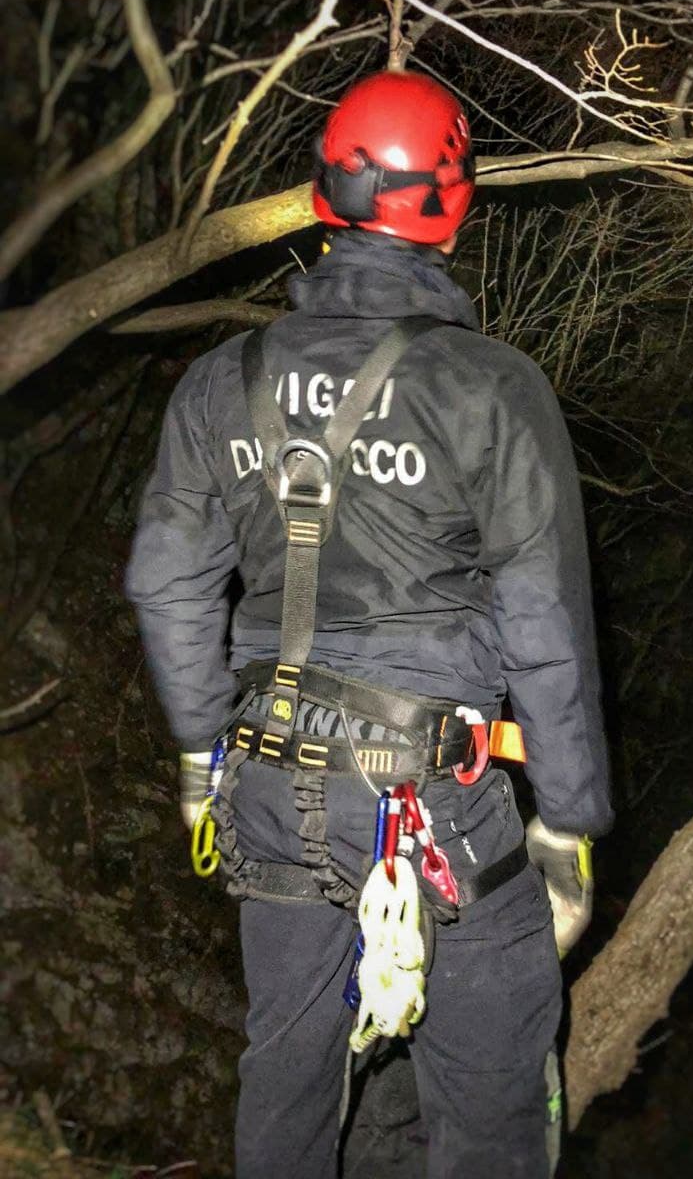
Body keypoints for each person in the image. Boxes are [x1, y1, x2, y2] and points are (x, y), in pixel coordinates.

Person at [126, 69, 613, 1179]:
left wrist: (203, 757)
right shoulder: (490, 387)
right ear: (452, 202)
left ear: (326, 194)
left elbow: (167, 583)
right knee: (493, 1078)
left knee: (288, 1076)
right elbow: (543, 621)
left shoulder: (218, 380)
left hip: (263, 784)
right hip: (425, 792)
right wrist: (567, 820)